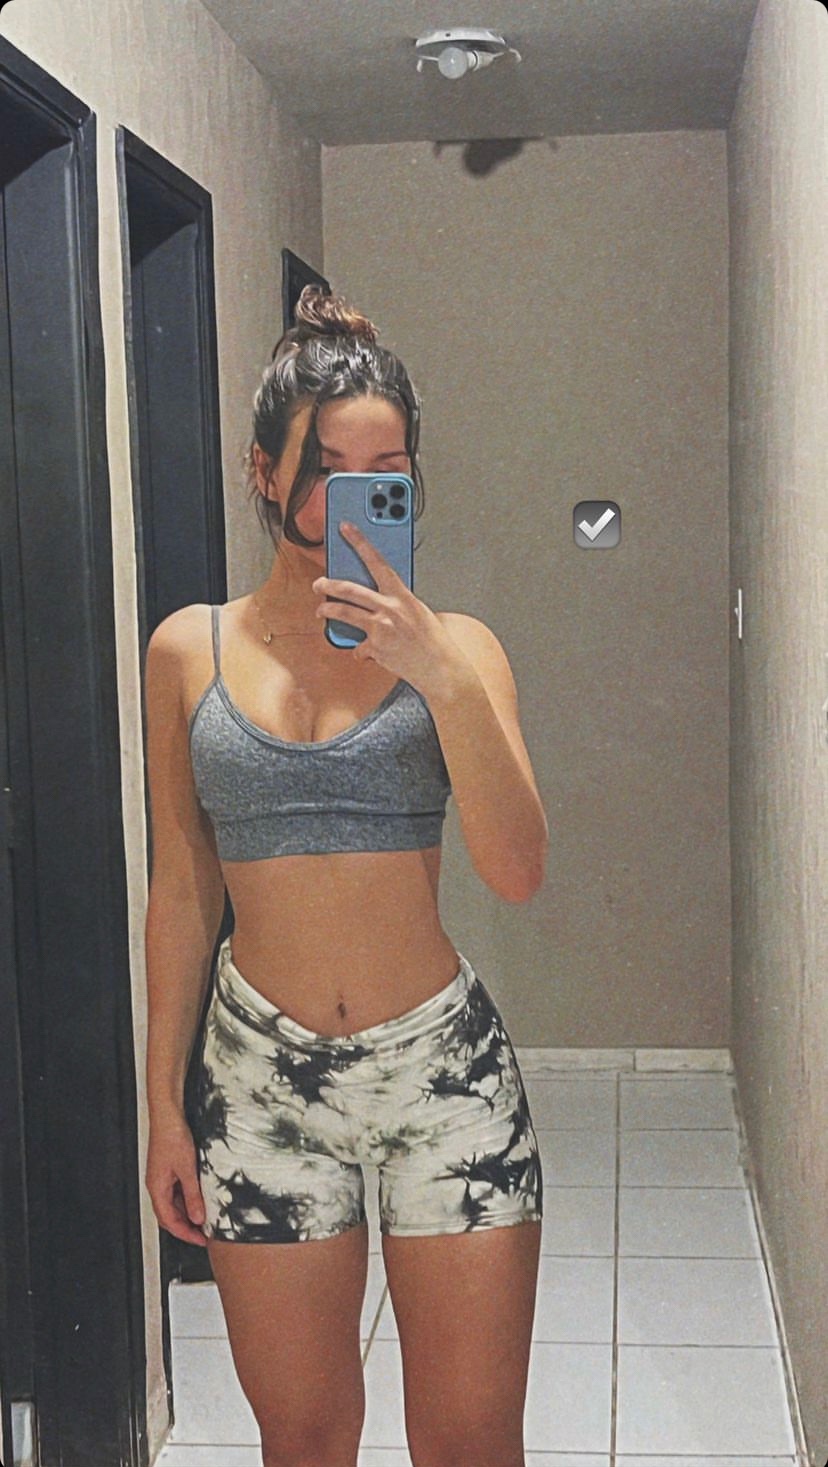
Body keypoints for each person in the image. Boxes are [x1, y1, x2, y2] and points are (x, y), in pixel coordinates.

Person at [144, 284, 549, 1467]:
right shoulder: (188, 649)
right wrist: (163, 1107)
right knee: (306, 1439)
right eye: (325, 469)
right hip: (258, 1084)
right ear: (263, 472)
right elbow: (182, 893)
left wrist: (437, 673)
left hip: (442, 1077)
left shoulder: (461, 650)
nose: (354, 498)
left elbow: (518, 870)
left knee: (470, 1444)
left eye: (387, 472)